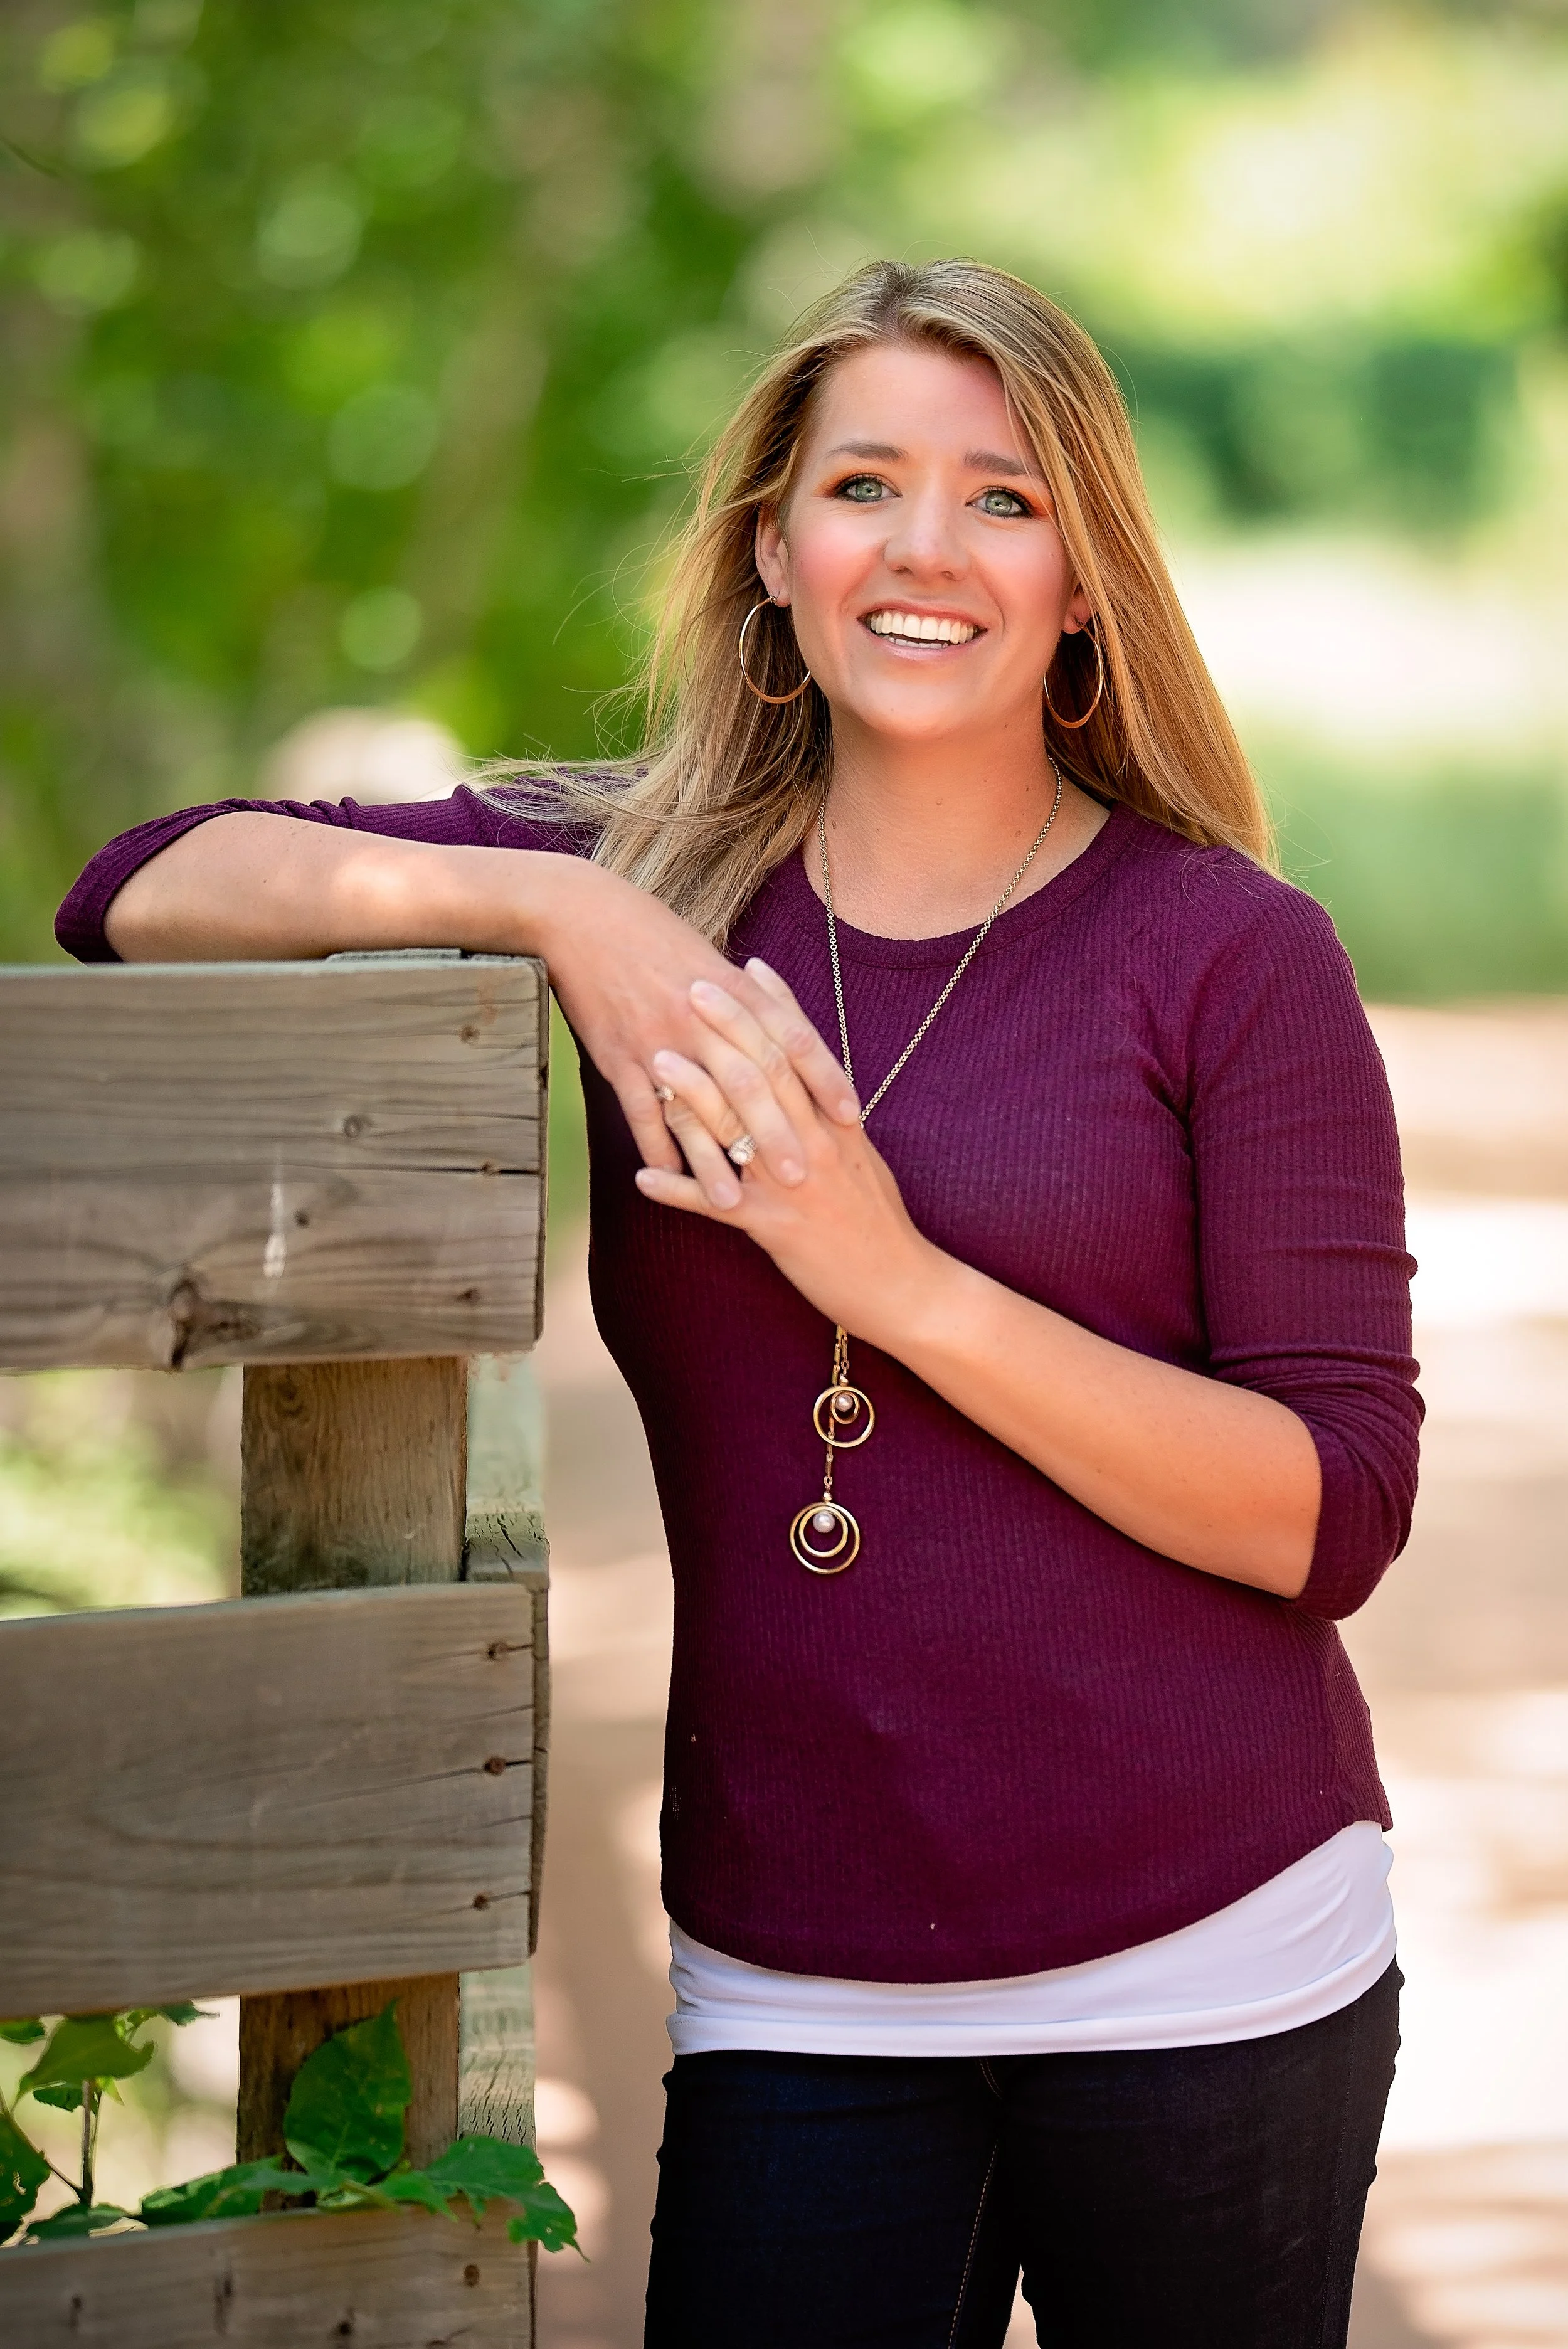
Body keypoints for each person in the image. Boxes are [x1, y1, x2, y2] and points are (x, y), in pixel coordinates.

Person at [58, 258, 1420, 2348]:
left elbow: (1328, 1512)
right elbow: (134, 887)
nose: (924, 548)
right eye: (862, 484)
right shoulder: (649, 890)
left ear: (1082, 578)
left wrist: (885, 1275)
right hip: (800, 1974)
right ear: (770, 551)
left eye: (1002, 496)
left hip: (1210, 1958)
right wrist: (553, 901)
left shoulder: (1229, 955)